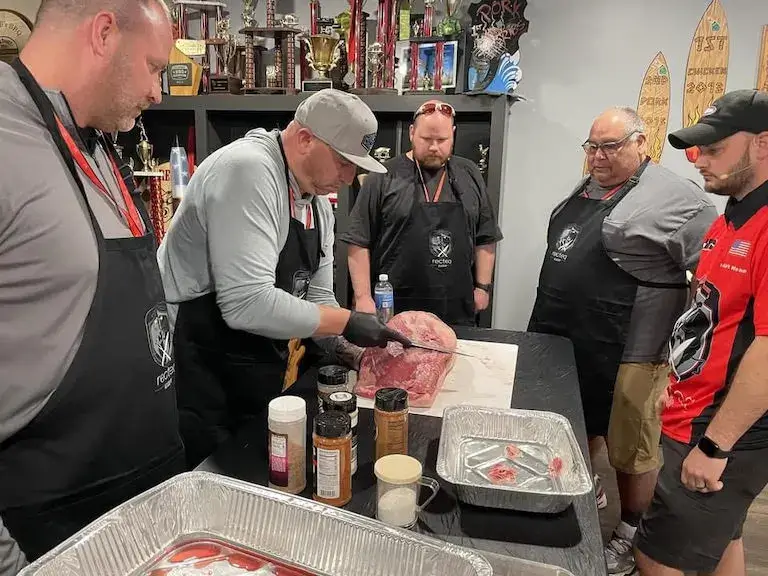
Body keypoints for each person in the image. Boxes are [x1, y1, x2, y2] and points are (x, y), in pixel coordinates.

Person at [0, 0, 184, 572]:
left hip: (146, 511)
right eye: (154, 67)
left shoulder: (99, 138)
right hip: (50, 532)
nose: (160, 91)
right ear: (104, 33)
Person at [158, 89, 410, 469]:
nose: (348, 177)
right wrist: (348, 321)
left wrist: (358, 350)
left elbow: (319, 298)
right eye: (343, 162)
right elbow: (246, 304)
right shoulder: (248, 170)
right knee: (213, 476)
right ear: (306, 138)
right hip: (200, 362)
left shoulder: (318, 206)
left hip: (254, 362)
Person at [527, 106, 717, 575]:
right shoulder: (590, 187)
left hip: (630, 344)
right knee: (573, 419)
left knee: (632, 445)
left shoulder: (678, 198)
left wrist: (692, 342)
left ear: (641, 142)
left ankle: (631, 530)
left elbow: (709, 276)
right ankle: (582, 487)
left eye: (611, 146)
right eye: (592, 146)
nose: (598, 156)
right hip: (565, 333)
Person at [635, 90, 768, 576]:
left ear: (762, 145)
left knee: (654, 557)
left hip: (722, 431)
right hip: (694, 411)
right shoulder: (727, 218)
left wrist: (715, 446)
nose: (700, 163)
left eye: (714, 150)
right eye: (697, 151)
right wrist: (675, 385)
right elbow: (710, 319)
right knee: (722, 538)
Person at [338, 100, 503, 326]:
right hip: (395, 309)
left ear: (453, 134)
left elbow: (486, 236)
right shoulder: (383, 176)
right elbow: (358, 240)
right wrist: (363, 297)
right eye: (426, 139)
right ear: (412, 133)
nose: (434, 147)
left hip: (456, 309)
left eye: (442, 140)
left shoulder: (469, 173)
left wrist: (483, 287)